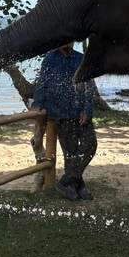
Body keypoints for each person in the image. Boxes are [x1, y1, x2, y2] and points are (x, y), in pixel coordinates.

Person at [31, 43, 98, 201]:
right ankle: (77, 187)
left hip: (81, 112)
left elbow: (89, 87)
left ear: (73, 41)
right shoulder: (49, 61)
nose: (66, 43)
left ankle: (66, 180)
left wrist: (87, 110)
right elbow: (42, 84)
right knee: (71, 152)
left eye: (70, 40)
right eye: (63, 41)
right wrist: (37, 104)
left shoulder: (81, 59)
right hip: (60, 113)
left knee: (90, 144)